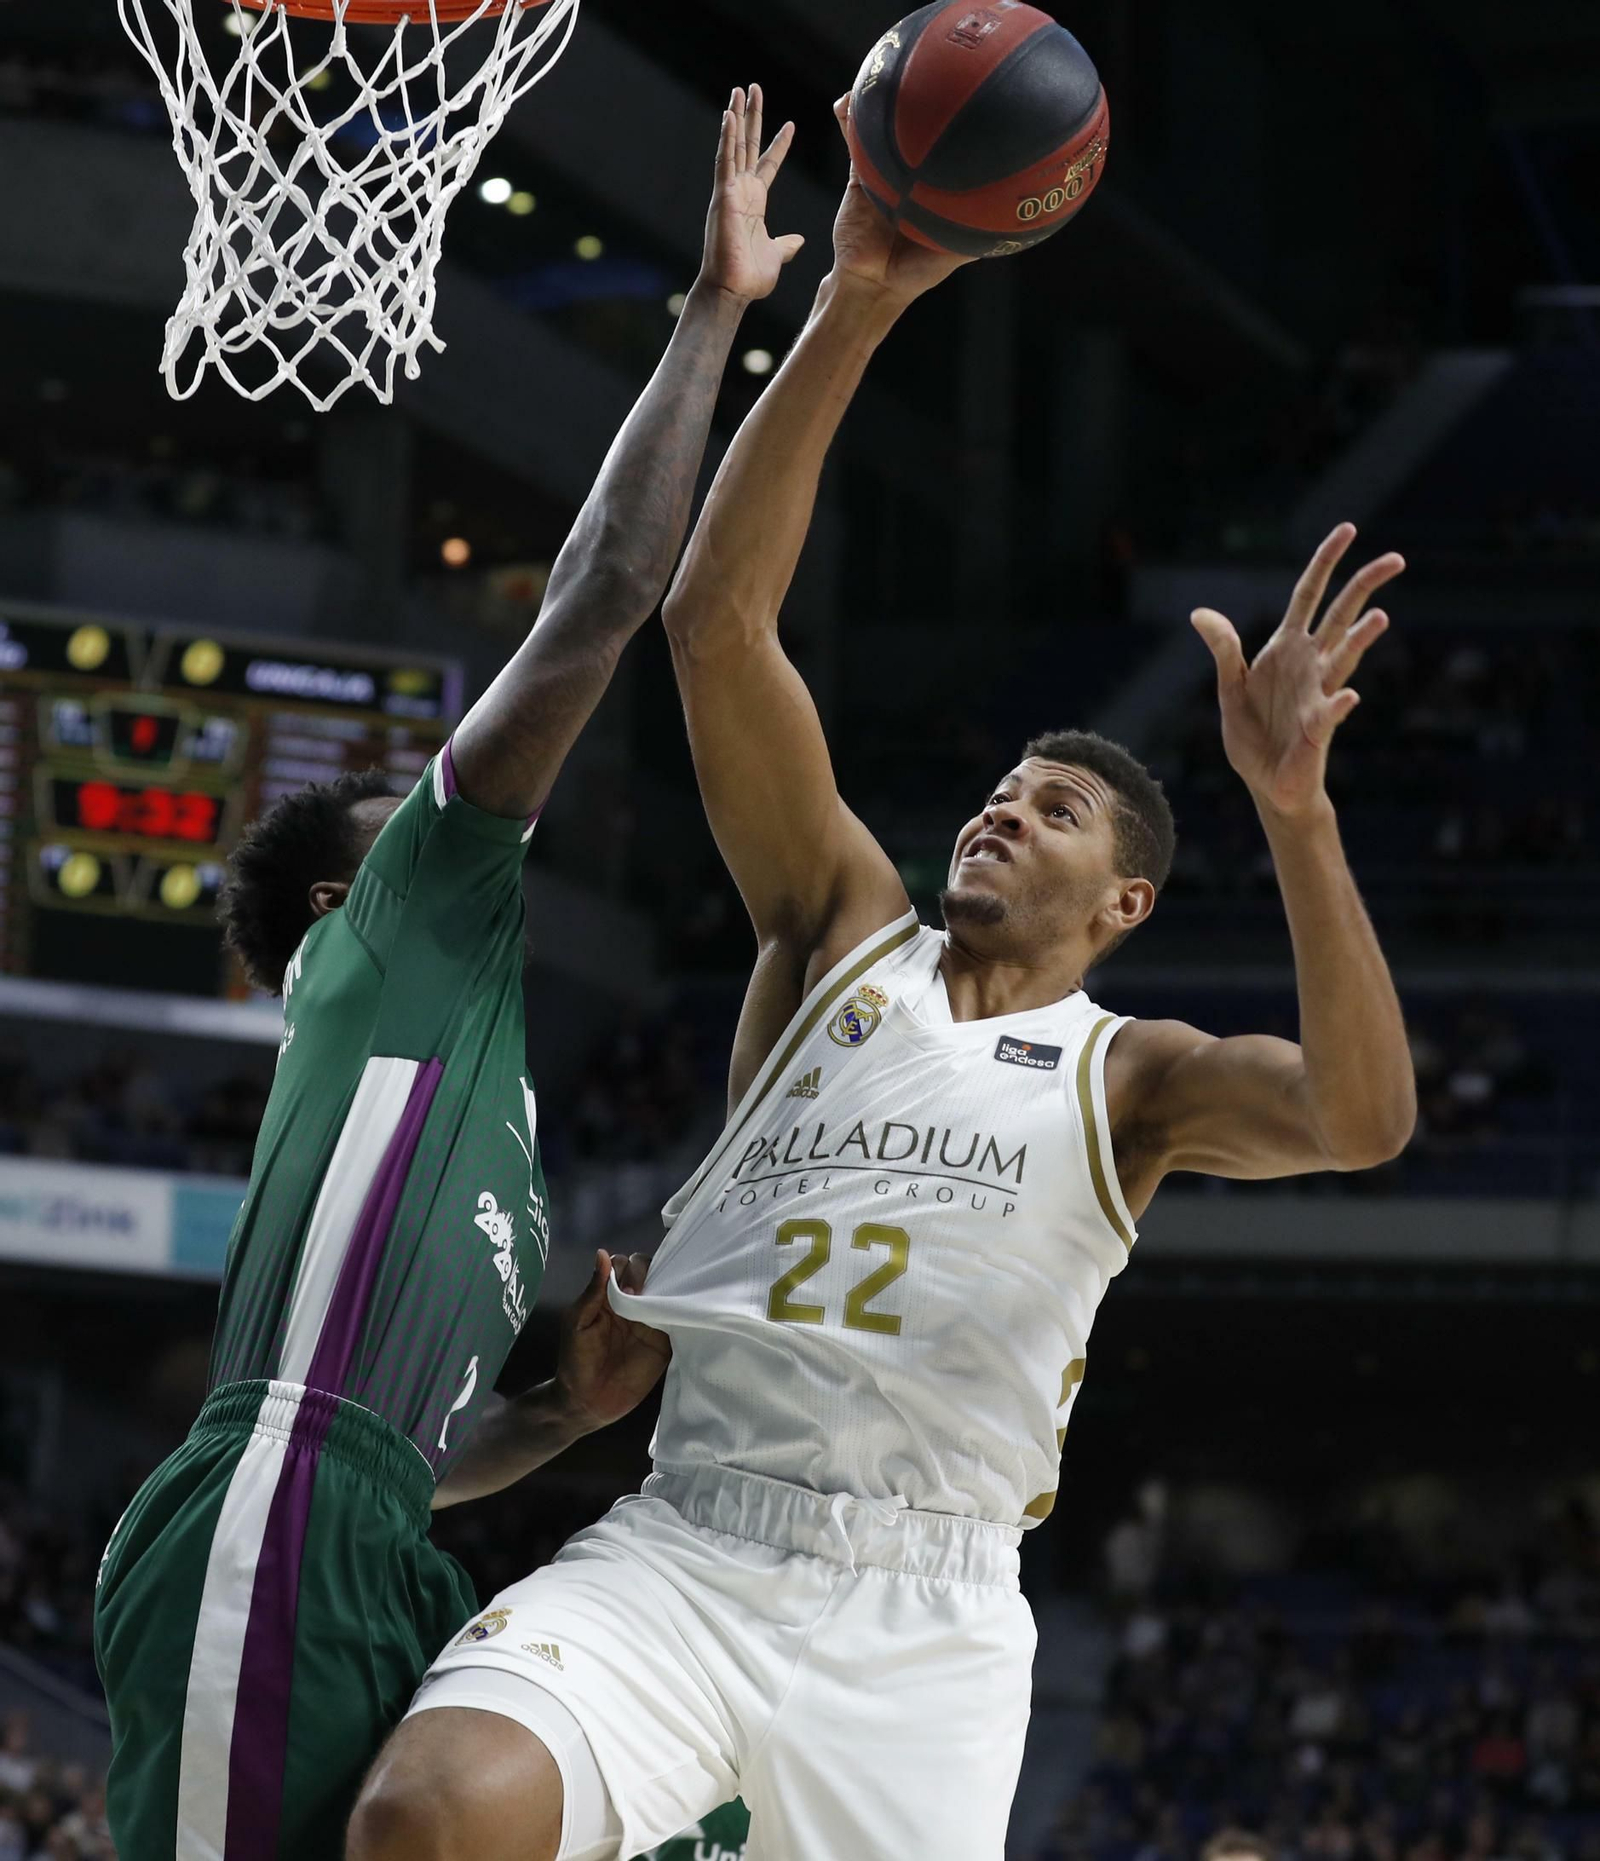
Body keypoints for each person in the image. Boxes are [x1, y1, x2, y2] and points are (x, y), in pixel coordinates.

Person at [347, 93, 1416, 1861]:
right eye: (1001, 788)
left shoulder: (1128, 1071)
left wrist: (1296, 813)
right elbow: (719, 624)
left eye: (1057, 806)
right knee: (426, 1816)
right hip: (690, 1540)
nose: (1006, 807)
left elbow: (1364, 1119)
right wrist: (855, 294)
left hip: (922, 1624)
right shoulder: (838, 934)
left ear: (1127, 896)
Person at [91, 87, 805, 1861]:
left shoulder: (477, 1079)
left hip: (371, 1523)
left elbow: (420, 1451)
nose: (481, 794)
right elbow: (608, 588)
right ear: (345, 894)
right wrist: (715, 311)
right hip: (272, 1511)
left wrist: (559, 1411)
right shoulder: (400, 915)